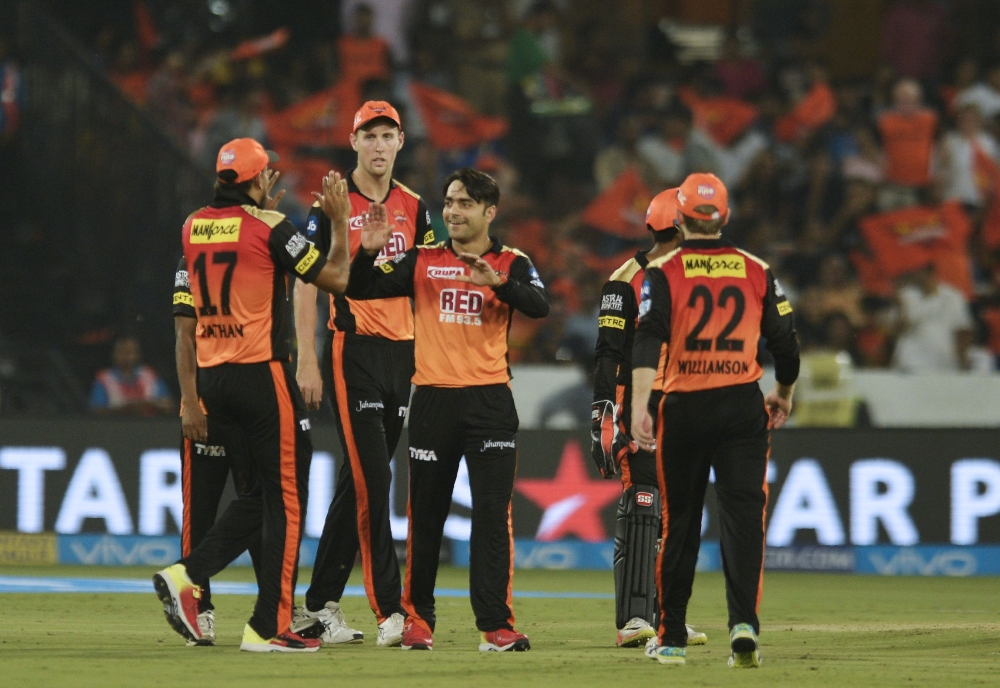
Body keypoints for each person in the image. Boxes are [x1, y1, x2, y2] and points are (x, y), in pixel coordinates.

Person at [152, 138, 353, 653]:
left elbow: (186, 323)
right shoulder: (268, 226)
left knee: (258, 495)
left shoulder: (192, 227)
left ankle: (189, 573)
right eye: (268, 177)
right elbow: (335, 278)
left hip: (214, 378)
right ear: (259, 180)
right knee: (287, 498)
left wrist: (191, 397)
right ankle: (269, 626)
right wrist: (340, 223)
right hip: (261, 375)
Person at [346, 168, 549, 651]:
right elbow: (359, 289)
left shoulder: (511, 261)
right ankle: (417, 619)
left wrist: (496, 281)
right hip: (434, 400)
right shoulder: (421, 260)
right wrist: (369, 250)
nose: (453, 211)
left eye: (464, 204)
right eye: (450, 202)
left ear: (489, 212)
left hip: (490, 402)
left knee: (492, 515)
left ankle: (495, 626)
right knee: (427, 515)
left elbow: (540, 305)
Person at [631, 173, 800, 667]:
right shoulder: (757, 269)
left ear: (680, 218)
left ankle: (671, 638)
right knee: (744, 519)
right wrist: (783, 392)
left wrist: (642, 402)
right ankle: (743, 624)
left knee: (681, 522)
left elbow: (647, 337)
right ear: (725, 217)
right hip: (741, 407)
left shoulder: (663, 271)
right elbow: (786, 343)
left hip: (683, 408)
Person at [292, 101, 431, 647]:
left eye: (387, 135)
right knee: (377, 481)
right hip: (354, 353)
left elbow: (425, 279)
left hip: (404, 355)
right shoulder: (331, 202)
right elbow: (305, 281)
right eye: (368, 135)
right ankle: (390, 612)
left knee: (357, 484)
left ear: (400, 143)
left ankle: (319, 606)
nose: (378, 145)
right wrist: (307, 357)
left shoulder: (416, 207)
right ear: (353, 142)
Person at [590, 188, 707, 650]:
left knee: (674, 512)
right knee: (643, 504)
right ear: (676, 230)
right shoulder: (625, 280)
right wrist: (604, 416)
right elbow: (607, 353)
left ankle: (666, 617)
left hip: (681, 400)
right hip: (636, 402)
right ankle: (634, 618)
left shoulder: (689, 277)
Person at [171, 257, 263, 646]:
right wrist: (191, 402)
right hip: (208, 410)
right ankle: (198, 607)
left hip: (251, 412)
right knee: (200, 515)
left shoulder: (260, 254)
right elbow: (184, 335)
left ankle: (274, 607)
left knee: (260, 510)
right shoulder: (191, 261)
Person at [891, 264, 974, 372]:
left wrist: (963, 362)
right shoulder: (906, 296)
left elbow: (962, 330)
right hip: (910, 362)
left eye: (918, 271)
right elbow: (897, 331)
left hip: (943, 362)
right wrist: (900, 305)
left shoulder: (952, 297)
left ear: (929, 272)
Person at [89, 336, 172, 415]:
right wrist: (126, 409)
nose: (126, 356)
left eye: (129, 351)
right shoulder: (104, 379)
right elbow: (96, 410)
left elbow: (168, 405)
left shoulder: (150, 376)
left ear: (138, 354)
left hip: (151, 426)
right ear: (113, 354)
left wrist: (148, 405)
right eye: (121, 351)